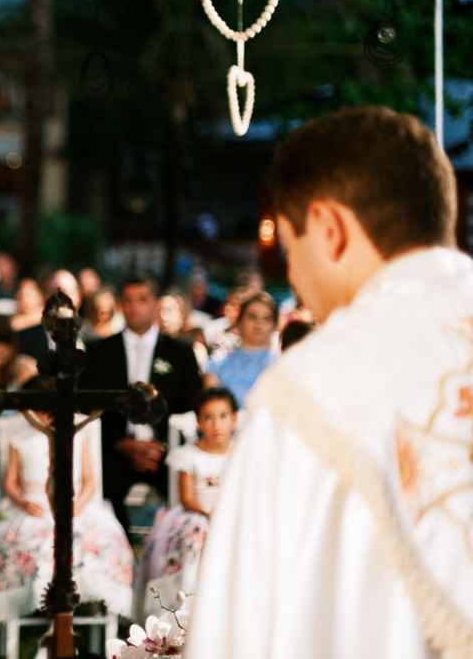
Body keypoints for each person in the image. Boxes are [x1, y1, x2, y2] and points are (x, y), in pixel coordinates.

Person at [187, 107, 473, 658]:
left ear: (330, 229)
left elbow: (238, 632)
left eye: (291, 252)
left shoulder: (308, 393)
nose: (293, 277)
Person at [0, 393, 133, 624]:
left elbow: (89, 481)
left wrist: (80, 504)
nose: (45, 417)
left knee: (95, 539)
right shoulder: (21, 438)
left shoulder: (77, 435)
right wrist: (23, 502)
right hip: (34, 505)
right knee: (35, 539)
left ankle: (90, 600)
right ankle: (36, 605)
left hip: (74, 504)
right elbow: (10, 484)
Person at [81, 274, 201, 528]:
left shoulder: (180, 353)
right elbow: (89, 406)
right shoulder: (99, 352)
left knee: (184, 492)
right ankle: (122, 552)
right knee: (103, 492)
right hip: (116, 449)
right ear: (120, 304)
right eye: (128, 300)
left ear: (155, 303)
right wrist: (122, 443)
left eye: (142, 299)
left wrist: (163, 446)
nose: (135, 306)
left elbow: (190, 406)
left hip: (166, 452)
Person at [137, 388, 236, 618]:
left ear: (234, 418)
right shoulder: (189, 455)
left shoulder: (241, 453)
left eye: (223, 416)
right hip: (198, 513)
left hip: (231, 513)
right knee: (197, 532)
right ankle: (190, 601)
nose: (216, 424)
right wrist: (208, 513)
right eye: (208, 418)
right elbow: (187, 498)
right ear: (199, 423)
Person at [202, 291, 279, 406]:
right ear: (239, 321)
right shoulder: (217, 364)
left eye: (266, 318)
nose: (259, 323)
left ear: (274, 325)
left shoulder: (282, 365)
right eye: (252, 316)